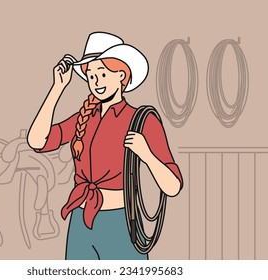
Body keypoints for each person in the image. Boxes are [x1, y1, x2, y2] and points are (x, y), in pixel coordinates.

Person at [27, 32, 183, 260]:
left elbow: (173, 186)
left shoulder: (142, 120)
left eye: (102, 73)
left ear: (122, 75)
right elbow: (37, 141)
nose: (96, 82)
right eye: (91, 75)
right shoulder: (83, 117)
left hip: (120, 222)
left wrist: (147, 155)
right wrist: (57, 88)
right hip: (81, 222)